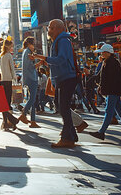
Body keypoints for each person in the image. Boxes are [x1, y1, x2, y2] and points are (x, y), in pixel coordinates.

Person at [31, 19, 79, 148]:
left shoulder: (62, 41)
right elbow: (58, 60)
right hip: (62, 78)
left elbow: (61, 59)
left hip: (67, 78)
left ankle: (67, 138)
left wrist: (42, 58)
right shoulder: (59, 41)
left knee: (63, 107)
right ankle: (72, 134)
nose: (49, 30)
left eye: (51, 28)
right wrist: (45, 61)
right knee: (60, 105)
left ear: (58, 28)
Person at [86, 44, 121, 143]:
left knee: (109, 112)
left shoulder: (111, 63)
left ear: (108, 53)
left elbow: (110, 79)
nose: (101, 53)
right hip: (114, 91)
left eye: (103, 52)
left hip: (112, 91)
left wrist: (101, 86)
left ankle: (101, 132)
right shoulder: (109, 62)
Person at [18, 37, 41, 128]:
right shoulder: (27, 52)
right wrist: (39, 64)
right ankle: (23, 114)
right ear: (28, 44)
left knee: (32, 100)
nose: (34, 46)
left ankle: (33, 121)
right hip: (31, 78)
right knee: (32, 99)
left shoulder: (27, 52)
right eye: (33, 44)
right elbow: (30, 67)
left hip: (29, 77)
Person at [0, 40, 20, 130]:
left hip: (2, 80)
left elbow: (0, 70)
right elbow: (12, 69)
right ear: (7, 46)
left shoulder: (2, 56)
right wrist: (15, 78)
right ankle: (12, 120)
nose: (12, 48)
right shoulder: (8, 56)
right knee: (7, 103)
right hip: (8, 81)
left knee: (4, 103)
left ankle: (6, 122)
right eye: (11, 46)